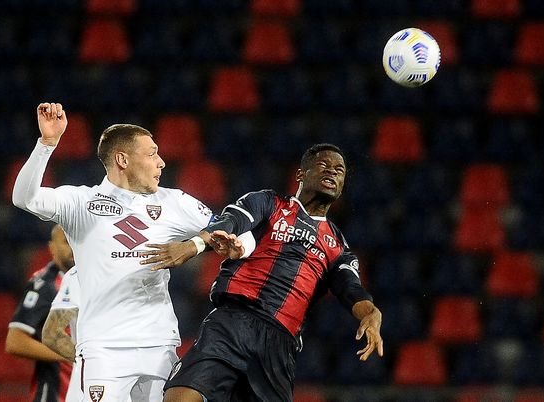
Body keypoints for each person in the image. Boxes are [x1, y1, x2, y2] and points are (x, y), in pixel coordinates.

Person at [142, 143, 384, 402]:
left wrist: (371, 313)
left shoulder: (338, 247)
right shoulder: (268, 203)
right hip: (232, 323)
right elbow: (230, 222)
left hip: (278, 345)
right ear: (301, 174)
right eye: (324, 165)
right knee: (179, 398)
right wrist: (194, 245)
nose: (332, 172)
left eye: (339, 170)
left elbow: (351, 289)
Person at [12, 102, 218, 402]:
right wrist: (46, 144)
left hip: (159, 345)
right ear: (122, 159)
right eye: (151, 154)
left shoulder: (175, 202)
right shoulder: (81, 203)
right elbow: (23, 197)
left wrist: (195, 244)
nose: (161, 162)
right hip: (104, 349)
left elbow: (229, 228)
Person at [6, 224, 76, 402]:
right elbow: (15, 342)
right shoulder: (45, 285)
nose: (74, 248)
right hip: (55, 395)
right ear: (52, 247)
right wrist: (72, 354)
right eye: (67, 242)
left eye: (77, 241)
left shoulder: (92, 280)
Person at [42, 265, 81, 402]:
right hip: (93, 382)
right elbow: (52, 333)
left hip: (148, 378)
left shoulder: (149, 266)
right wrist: (91, 360)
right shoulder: (77, 275)